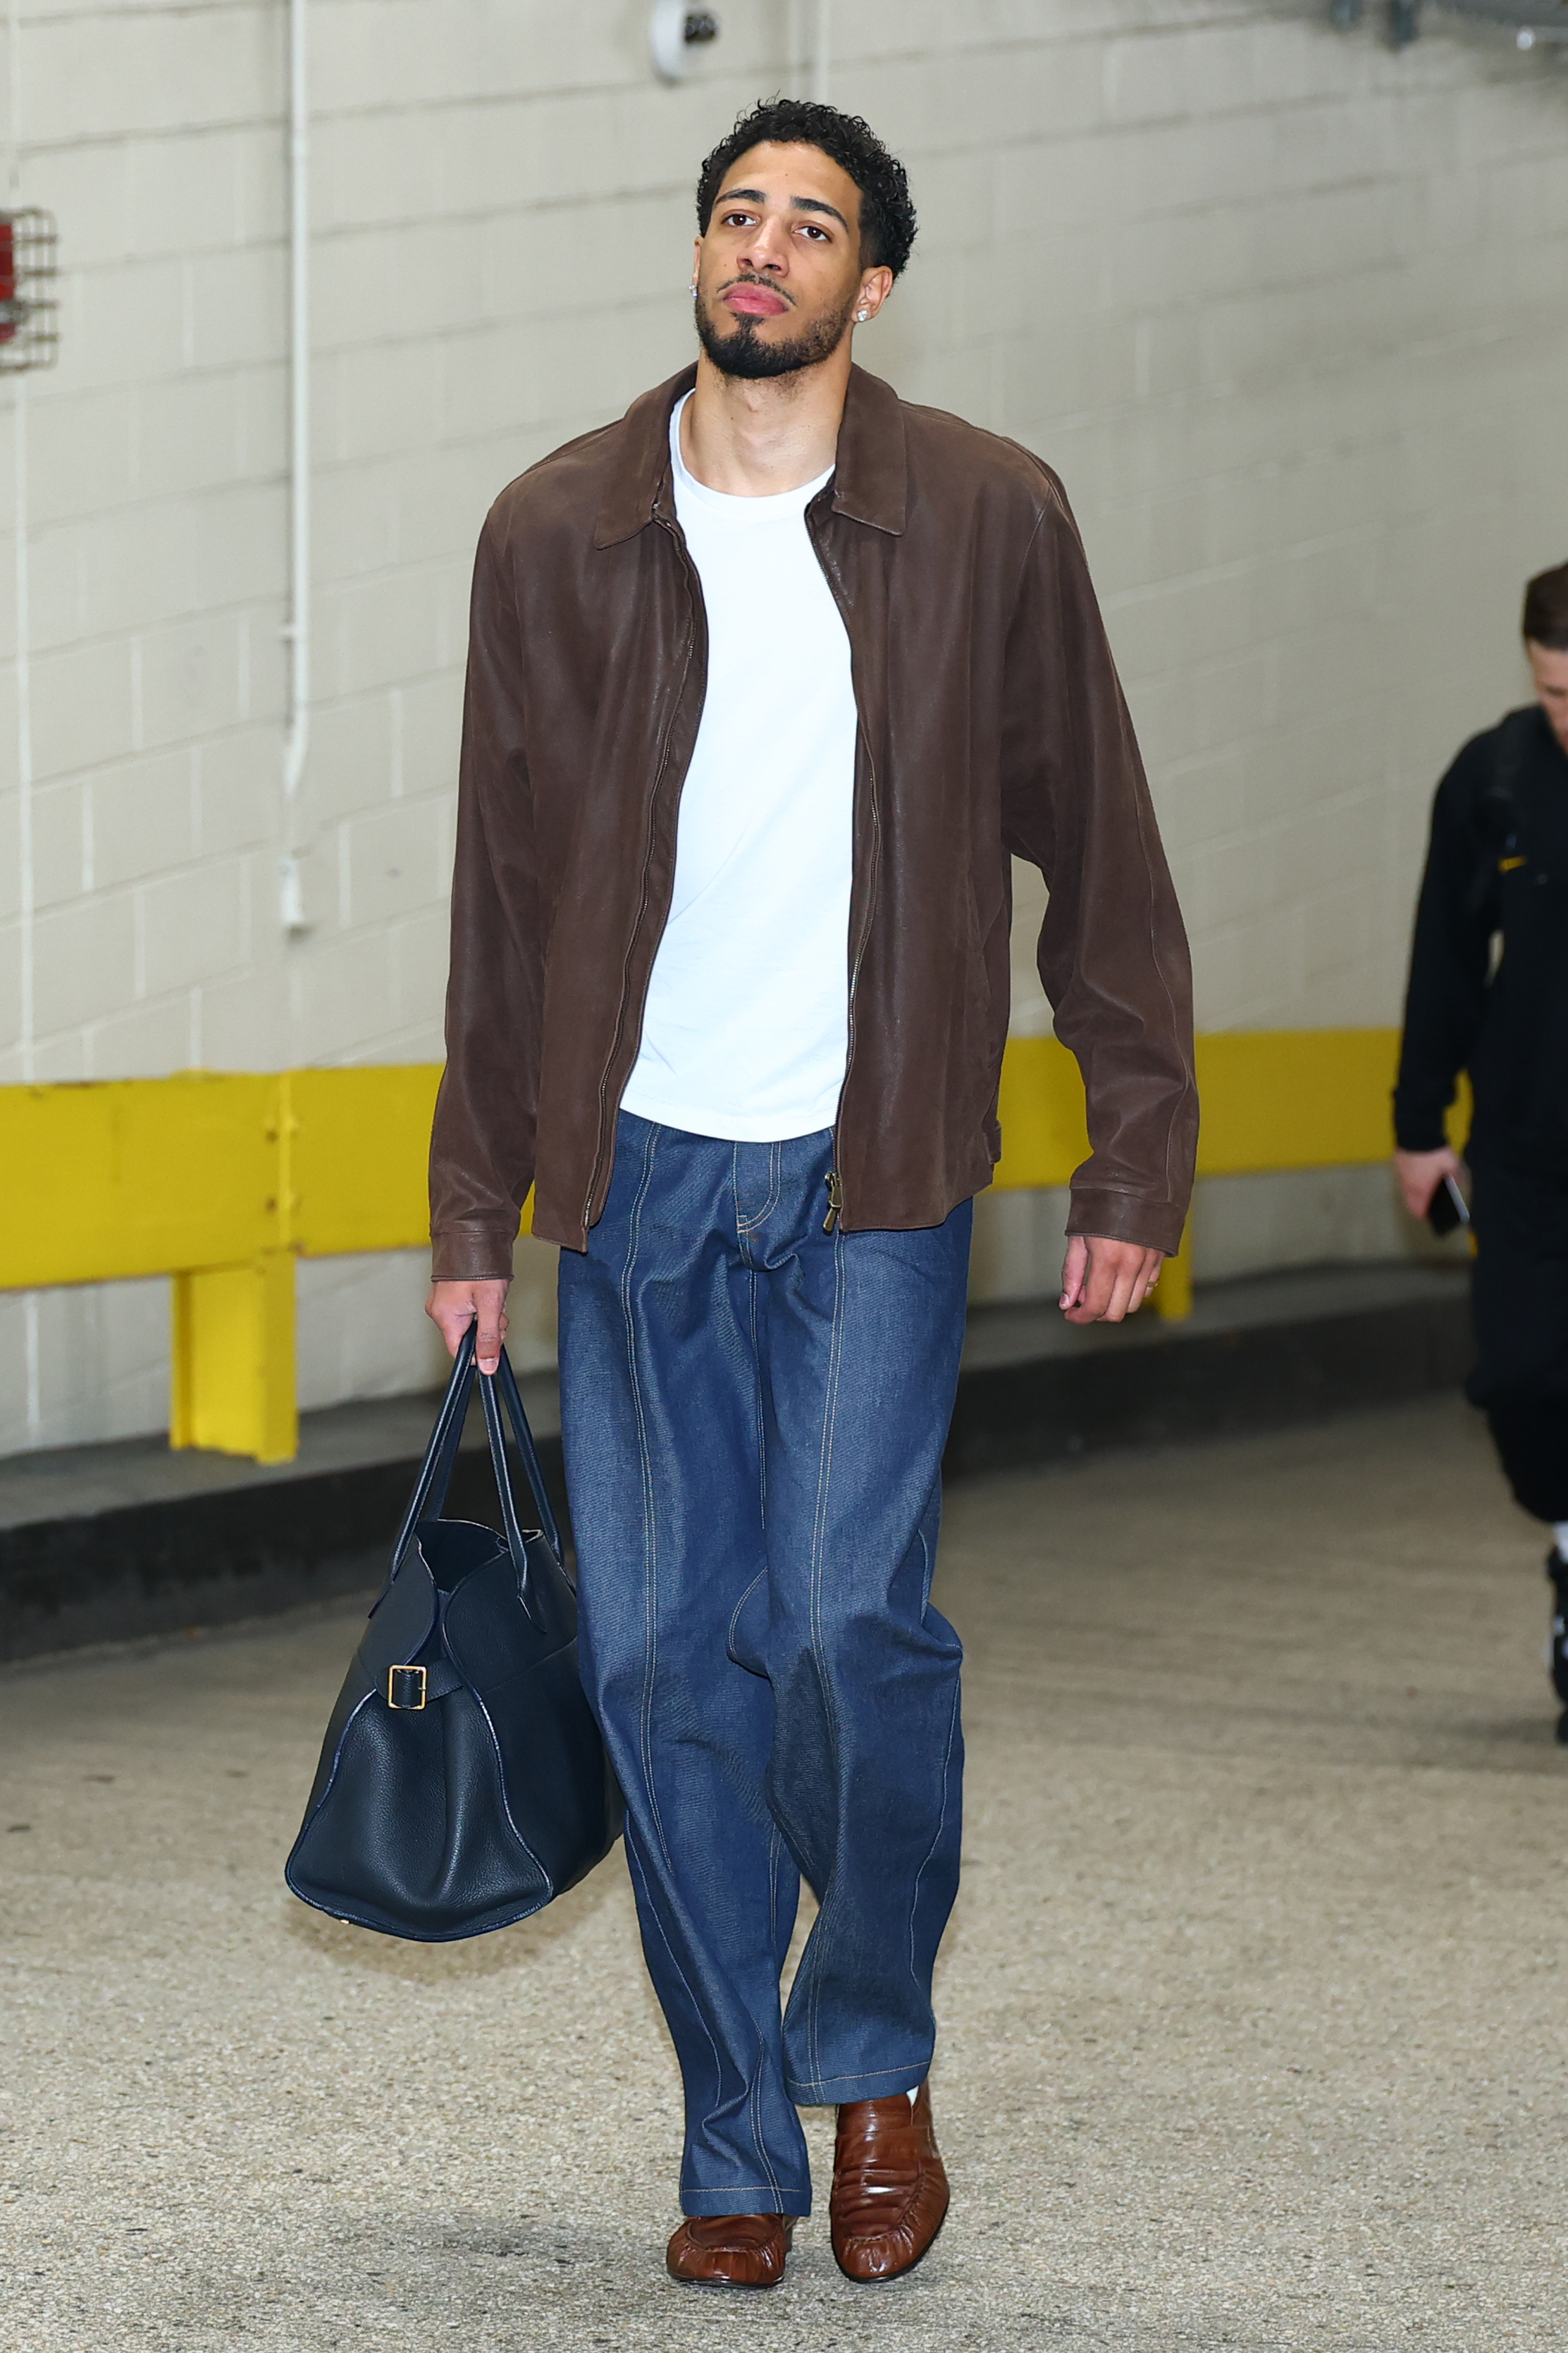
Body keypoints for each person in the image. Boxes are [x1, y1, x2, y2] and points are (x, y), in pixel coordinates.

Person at [425, 97, 1197, 2287]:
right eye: (735, 213)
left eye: (812, 225)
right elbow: (498, 896)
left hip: (876, 1164)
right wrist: (478, 1209)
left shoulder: (985, 518)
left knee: (855, 1632)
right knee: (668, 1650)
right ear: (701, 254)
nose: (761, 249)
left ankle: (872, 2059)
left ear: (875, 286)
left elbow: (1106, 861)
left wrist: (1130, 1142)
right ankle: (735, 2135)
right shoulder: (552, 531)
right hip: (638, 1173)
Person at [1394, 561, 1568, 1740]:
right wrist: (1417, 1126)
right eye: (1555, 692)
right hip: (1523, 1149)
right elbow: (1444, 965)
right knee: (1519, 1376)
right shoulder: (1494, 778)